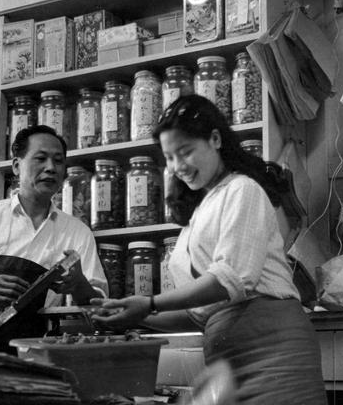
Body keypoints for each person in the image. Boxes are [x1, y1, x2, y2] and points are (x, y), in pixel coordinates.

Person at [91, 95, 326, 405]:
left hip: (273, 348)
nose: (178, 166)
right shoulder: (198, 213)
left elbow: (229, 280)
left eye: (186, 152)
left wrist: (147, 303)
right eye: (170, 157)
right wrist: (132, 315)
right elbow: (198, 314)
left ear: (215, 139)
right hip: (227, 356)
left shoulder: (242, 189)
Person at [0, 125, 107, 352]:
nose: (51, 168)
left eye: (58, 161)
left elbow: (101, 309)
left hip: (34, 354)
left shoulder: (77, 232)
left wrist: (79, 285)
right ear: (16, 166)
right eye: (41, 158)